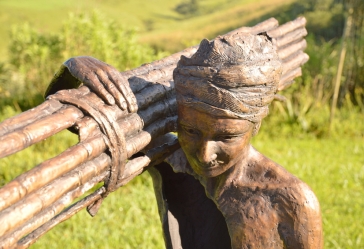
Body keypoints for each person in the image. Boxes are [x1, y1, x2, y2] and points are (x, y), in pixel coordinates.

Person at [50, 32, 323, 249]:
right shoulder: (172, 157)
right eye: (191, 131)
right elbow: (75, 123)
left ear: (254, 126)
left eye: (226, 136)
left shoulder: (291, 200)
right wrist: (73, 67)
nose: (204, 155)